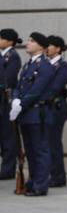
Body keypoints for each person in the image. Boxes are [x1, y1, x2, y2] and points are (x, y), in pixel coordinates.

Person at [10, 33, 55, 197]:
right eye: (28, 40)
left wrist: (21, 103)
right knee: (29, 150)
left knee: (40, 150)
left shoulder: (45, 66)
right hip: (27, 114)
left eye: (32, 41)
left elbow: (37, 90)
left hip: (38, 113)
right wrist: (15, 99)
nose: (28, 43)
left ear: (42, 47)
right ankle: (32, 181)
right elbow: (18, 85)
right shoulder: (27, 65)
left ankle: (40, 185)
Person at [44, 36, 67, 188]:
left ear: (58, 48)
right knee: (46, 143)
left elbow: (56, 87)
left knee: (53, 142)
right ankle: (49, 173)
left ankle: (58, 176)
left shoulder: (63, 66)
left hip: (56, 107)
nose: (47, 48)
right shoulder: (45, 64)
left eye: (50, 45)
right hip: (46, 107)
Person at [0, 29, 22, 180]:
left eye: (1, 38)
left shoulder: (12, 56)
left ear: (9, 41)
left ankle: (8, 169)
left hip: (5, 100)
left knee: (8, 136)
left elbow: (9, 79)